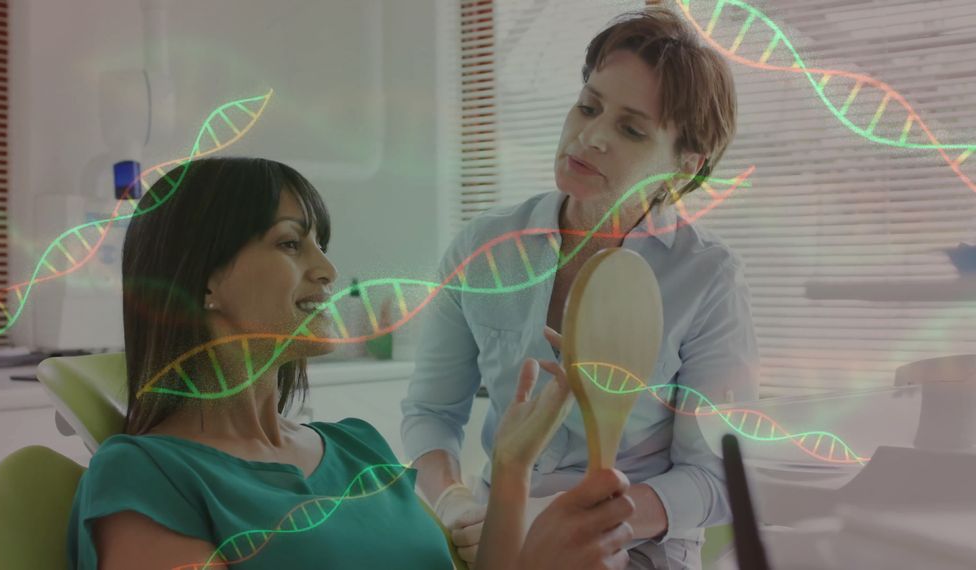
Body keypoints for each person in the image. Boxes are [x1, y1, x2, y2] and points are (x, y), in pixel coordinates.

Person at [66, 157, 636, 570]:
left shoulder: (358, 449)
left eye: (321, 244)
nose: (328, 270)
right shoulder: (145, 477)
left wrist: (511, 471)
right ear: (204, 279)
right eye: (290, 244)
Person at [401, 7, 758, 570]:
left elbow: (713, 477)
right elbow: (430, 410)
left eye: (631, 129)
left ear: (684, 166)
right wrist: (455, 503)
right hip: (497, 534)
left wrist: (573, 524)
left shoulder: (708, 277)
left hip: (634, 548)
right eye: (588, 107)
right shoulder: (482, 248)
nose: (589, 137)